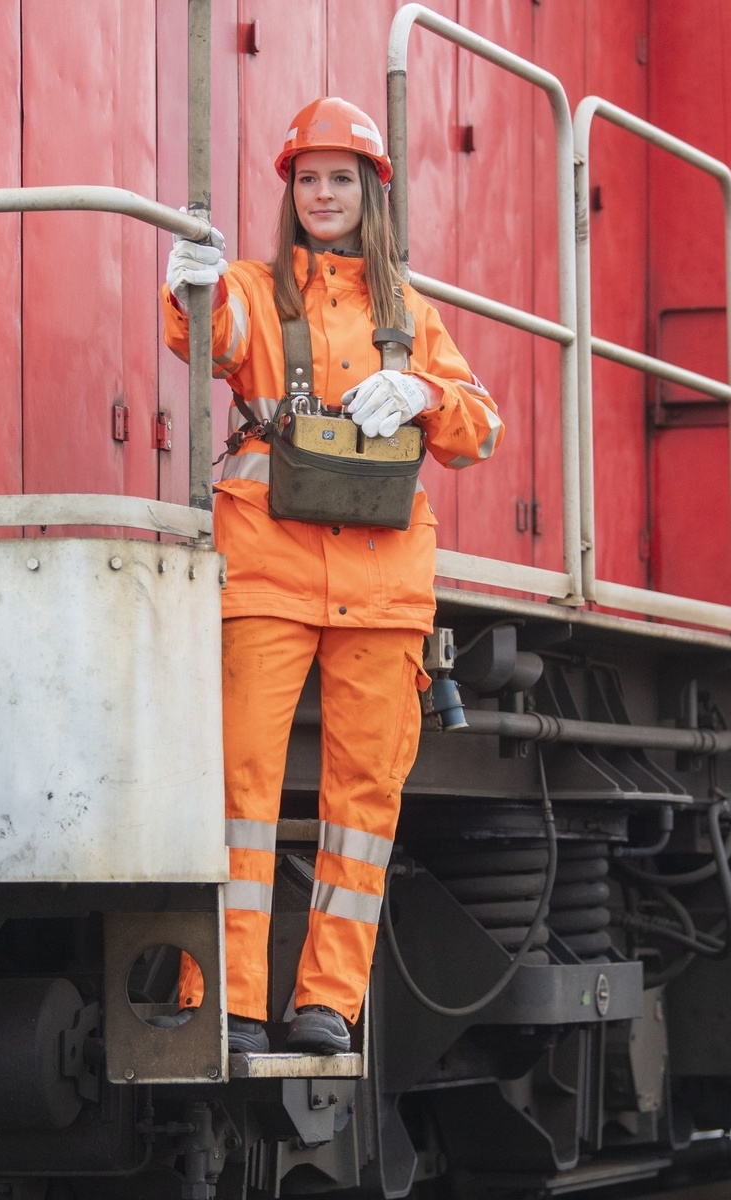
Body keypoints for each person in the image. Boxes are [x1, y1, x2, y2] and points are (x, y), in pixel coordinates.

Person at [161, 97, 503, 1055]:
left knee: (363, 805)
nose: (323, 194)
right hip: (268, 573)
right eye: (307, 179)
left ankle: (327, 1005)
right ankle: (223, 998)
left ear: (371, 192)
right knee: (241, 793)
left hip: (383, 591)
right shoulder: (249, 288)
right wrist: (188, 290)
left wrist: (426, 390)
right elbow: (209, 340)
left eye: (341, 178)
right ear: (289, 191)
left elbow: (479, 429)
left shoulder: (412, 317)